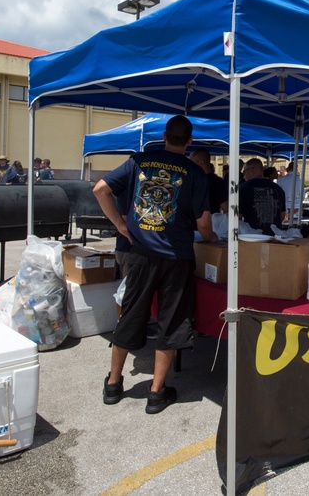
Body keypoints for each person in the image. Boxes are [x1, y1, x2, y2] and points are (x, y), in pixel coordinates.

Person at [93, 115, 215, 414]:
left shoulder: (139, 162)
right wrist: (211, 238)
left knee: (131, 314)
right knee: (171, 320)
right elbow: (204, 223)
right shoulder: (195, 172)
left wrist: (120, 224)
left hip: (141, 254)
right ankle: (157, 392)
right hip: (177, 257)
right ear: (189, 141)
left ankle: (113, 383)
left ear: (163, 136)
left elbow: (100, 190)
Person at [238, 158, 286, 235]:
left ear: (251, 170)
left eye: (244, 172)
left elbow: (237, 217)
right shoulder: (278, 189)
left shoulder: (243, 188)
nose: (244, 176)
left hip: (251, 237)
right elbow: (282, 215)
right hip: (275, 237)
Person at [189, 148, 228, 213]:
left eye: (192, 164)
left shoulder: (217, 182)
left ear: (200, 163)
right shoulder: (193, 180)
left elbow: (226, 207)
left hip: (211, 220)